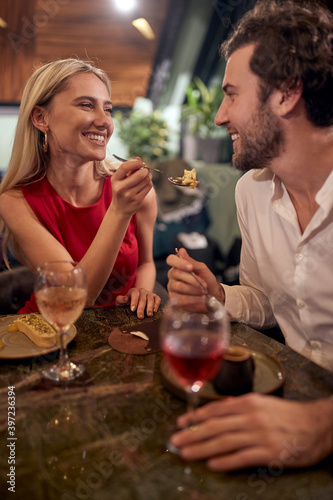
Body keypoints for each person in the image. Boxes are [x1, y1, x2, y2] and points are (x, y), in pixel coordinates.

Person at [166, 0, 333, 470]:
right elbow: (266, 301)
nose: (219, 117)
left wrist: (324, 424)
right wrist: (217, 294)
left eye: (231, 94)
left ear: (285, 93)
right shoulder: (250, 193)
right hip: (285, 403)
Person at [0, 58, 161, 318]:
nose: (104, 121)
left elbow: (146, 263)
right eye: (86, 105)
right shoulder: (15, 201)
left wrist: (142, 290)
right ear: (41, 118)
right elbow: (78, 295)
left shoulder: (134, 192)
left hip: (123, 328)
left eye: (107, 109)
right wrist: (119, 212)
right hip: (53, 329)